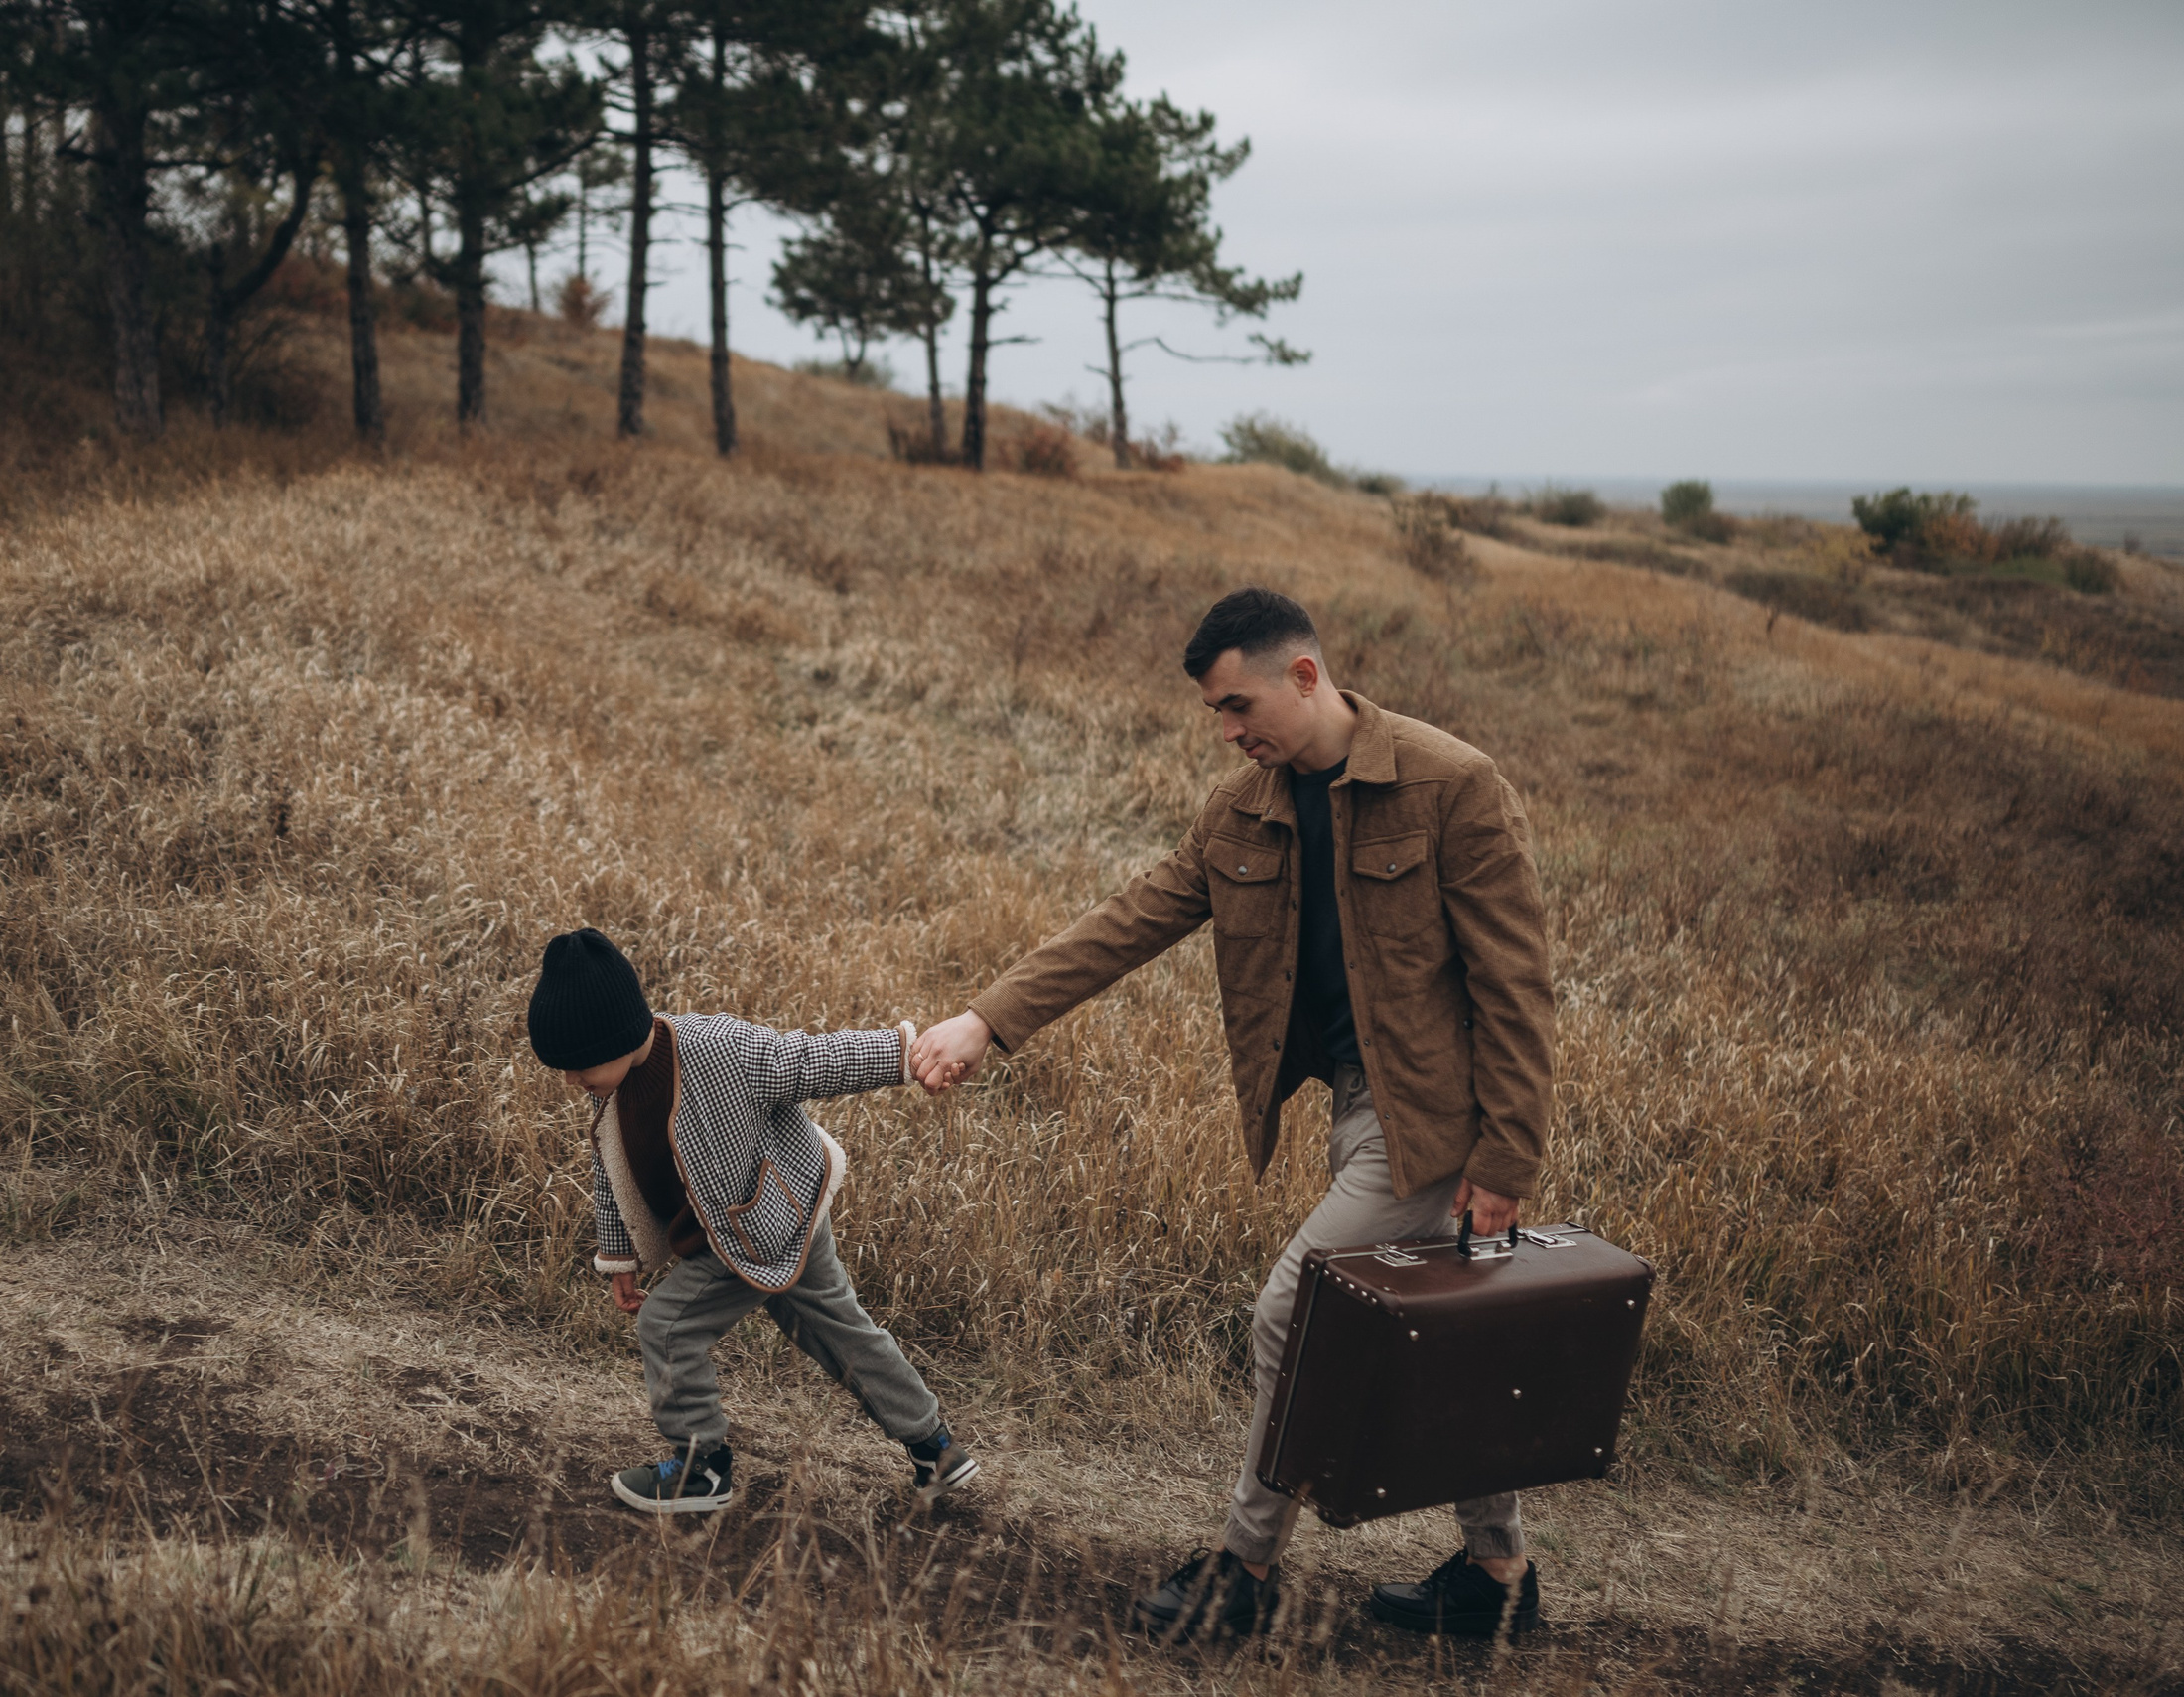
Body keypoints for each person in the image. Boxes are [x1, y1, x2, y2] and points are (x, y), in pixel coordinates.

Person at [910, 587, 1554, 1640]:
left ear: (1304, 675)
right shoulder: (1244, 808)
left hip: (1434, 1125)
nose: (1226, 730)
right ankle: (1500, 1575)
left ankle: (1241, 1571)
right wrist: (986, 1019)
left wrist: (1506, 1158)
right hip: (1359, 1106)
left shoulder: (1451, 784)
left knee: (1293, 1312)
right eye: (1215, 711)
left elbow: (1515, 986)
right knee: (1450, 1336)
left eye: (1237, 704)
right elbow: (1130, 918)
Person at [527, 927, 980, 1514]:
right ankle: (935, 1448)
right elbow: (609, 1167)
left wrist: (911, 1055)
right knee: (839, 1329)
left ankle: (701, 1470)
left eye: (577, 1065)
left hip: (759, 1226)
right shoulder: (608, 1084)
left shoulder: (722, 1051)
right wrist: (619, 1258)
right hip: (776, 1217)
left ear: (619, 1034)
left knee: (667, 1326)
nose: (570, 1080)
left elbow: (817, 1059)